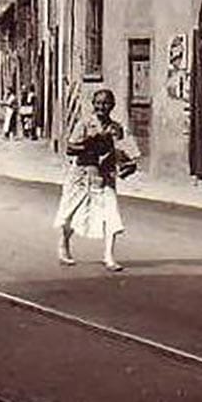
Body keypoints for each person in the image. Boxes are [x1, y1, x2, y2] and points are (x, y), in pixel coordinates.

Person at [53, 88, 135, 271]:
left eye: (105, 103)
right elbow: (70, 149)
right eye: (98, 103)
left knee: (111, 213)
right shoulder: (84, 124)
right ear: (93, 104)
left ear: (112, 106)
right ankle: (64, 245)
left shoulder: (116, 128)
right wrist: (91, 142)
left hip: (104, 176)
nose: (101, 107)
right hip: (82, 174)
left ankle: (109, 257)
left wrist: (128, 163)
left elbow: (124, 150)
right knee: (71, 211)